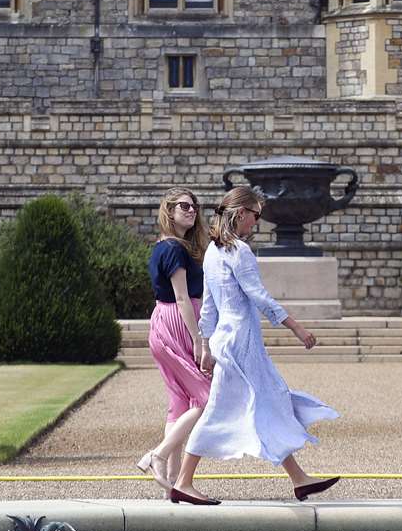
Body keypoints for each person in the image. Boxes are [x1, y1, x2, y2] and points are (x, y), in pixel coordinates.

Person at [169, 186, 340, 506]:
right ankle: (183, 481)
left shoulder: (212, 252)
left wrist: (206, 345)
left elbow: (208, 306)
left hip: (229, 341)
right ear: (241, 213)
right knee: (222, 409)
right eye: (256, 215)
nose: (257, 222)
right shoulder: (238, 251)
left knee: (269, 401)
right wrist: (297, 328)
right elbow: (259, 296)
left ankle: (299, 479)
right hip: (240, 345)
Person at [136, 188, 212, 491]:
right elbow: (182, 297)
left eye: (194, 206)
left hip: (165, 320)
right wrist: (198, 340)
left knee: (180, 401)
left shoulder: (165, 247)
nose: (191, 211)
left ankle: (174, 484)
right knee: (206, 398)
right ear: (169, 211)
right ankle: (159, 454)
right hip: (178, 322)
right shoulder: (174, 249)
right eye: (184, 206)